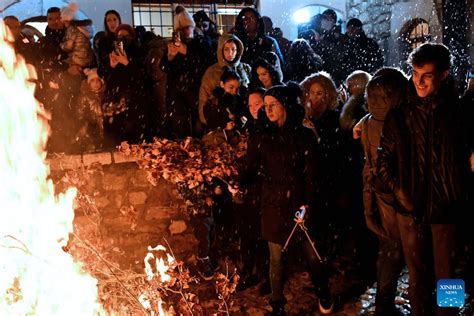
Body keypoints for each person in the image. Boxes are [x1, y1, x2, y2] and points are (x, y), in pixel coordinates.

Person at [377, 43, 472, 316]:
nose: (417, 81)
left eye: (426, 75)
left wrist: (459, 192)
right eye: (414, 73)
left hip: (447, 212)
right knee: (418, 282)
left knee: (449, 281)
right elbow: (384, 164)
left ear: (442, 75)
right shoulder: (400, 115)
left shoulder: (459, 115)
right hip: (410, 211)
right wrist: (402, 193)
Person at [238, 82, 333, 315]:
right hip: (272, 204)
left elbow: (312, 175)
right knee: (276, 258)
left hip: (299, 203)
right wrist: (237, 182)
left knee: (312, 254)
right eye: (266, 106)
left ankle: (323, 292)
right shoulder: (261, 137)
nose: (268, 111)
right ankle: (278, 304)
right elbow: (249, 169)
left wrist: (307, 204)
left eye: (274, 105)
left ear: (286, 106)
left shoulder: (303, 136)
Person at [360, 69, 408, 316]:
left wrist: (368, 208)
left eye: (382, 97)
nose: (376, 102)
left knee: (390, 255)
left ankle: (384, 305)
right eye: (373, 97)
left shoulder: (369, 123)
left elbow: (368, 170)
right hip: (398, 200)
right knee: (396, 254)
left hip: (385, 198)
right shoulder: (395, 122)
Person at [160, 5, 214, 138]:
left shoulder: (202, 42)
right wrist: (170, 57)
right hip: (177, 96)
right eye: (179, 29)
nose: (184, 32)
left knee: (199, 130)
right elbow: (163, 67)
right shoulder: (173, 44)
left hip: (196, 92)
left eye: (186, 27)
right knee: (180, 132)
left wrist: (187, 52)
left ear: (193, 26)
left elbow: (206, 65)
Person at [199, 34, 251, 127]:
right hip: (219, 122)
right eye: (226, 49)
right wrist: (213, 123)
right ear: (221, 50)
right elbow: (204, 100)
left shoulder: (245, 69)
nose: (230, 53)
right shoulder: (212, 72)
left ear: (238, 50)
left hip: (243, 121)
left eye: (233, 49)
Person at [75, 68, 105, 152]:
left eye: (98, 81)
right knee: (92, 144)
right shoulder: (85, 96)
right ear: (89, 83)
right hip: (91, 126)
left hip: (103, 125)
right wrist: (85, 123)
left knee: (104, 145)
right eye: (92, 81)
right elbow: (79, 112)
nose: (96, 83)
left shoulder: (104, 95)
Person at [60, 2, 94, 75]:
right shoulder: (83, 28)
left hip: (76, 59)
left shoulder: (72, 29)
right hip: (87, 58)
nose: (64, 25)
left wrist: (61, 45)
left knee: (61, 67)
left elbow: (69, 46)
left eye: (64, 22)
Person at [94, 10, 122, 76]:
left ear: (119, 21)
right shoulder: (102, 42)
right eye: (108, 20)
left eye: (114, 19)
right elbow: (101, 68)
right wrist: (111, 66)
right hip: (111, 78)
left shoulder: (126, 38)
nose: (112, 23)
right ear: (106, 23)